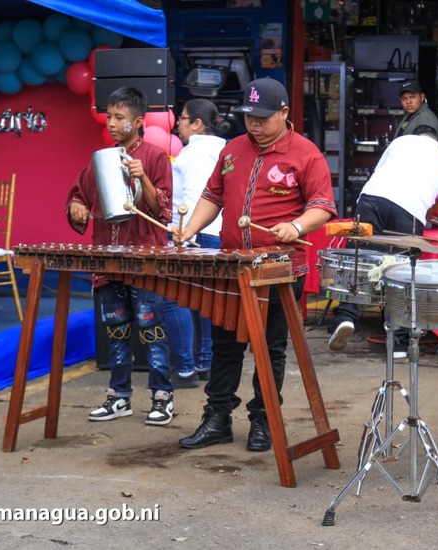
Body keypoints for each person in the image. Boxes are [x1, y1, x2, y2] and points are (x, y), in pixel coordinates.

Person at [174, 77, 336, 451]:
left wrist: (295, 225)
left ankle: (264, 419)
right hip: (234, 265)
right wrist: (190, 230)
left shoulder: (306, 153)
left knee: (270, 347)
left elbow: (323, 206)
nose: (254, 125)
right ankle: (217, 418)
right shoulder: (232, 150)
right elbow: (212, 196)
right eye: (249, 117)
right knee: (225, 344)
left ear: (284, 113)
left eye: (263, 118)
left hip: (279, 268)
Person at [65, 87, 176, 426]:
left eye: (119, 118)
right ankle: (119, 397)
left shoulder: (155, 158)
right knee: (115, 331)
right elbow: (77, 195)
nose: (111, 123)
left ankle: (162, 397)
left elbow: (164, 212)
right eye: (109, 117)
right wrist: (78, 207)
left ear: (138, 122)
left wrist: (143, 179)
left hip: (143, 260)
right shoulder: (100, 158)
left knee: (151, 329)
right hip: (108, 259)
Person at [328, 125, 438, 356]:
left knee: (360, 259)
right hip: (409, 209)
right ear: (437, 142)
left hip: (371, 198)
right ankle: (397, 340)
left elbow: (381, 171)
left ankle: (345, 316)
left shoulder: (400, 142)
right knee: (401, 272)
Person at [162, 99, 227, 388]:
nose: (178, 124)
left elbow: (196, 197)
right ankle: (203, 362)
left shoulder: (195, 153)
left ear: (198, 124)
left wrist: (186, 233)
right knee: (204, 303)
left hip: (193, 232)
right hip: (211, 232)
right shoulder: (222, 150)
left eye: (183, 118)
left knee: (174, 298)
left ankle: (186, 368)